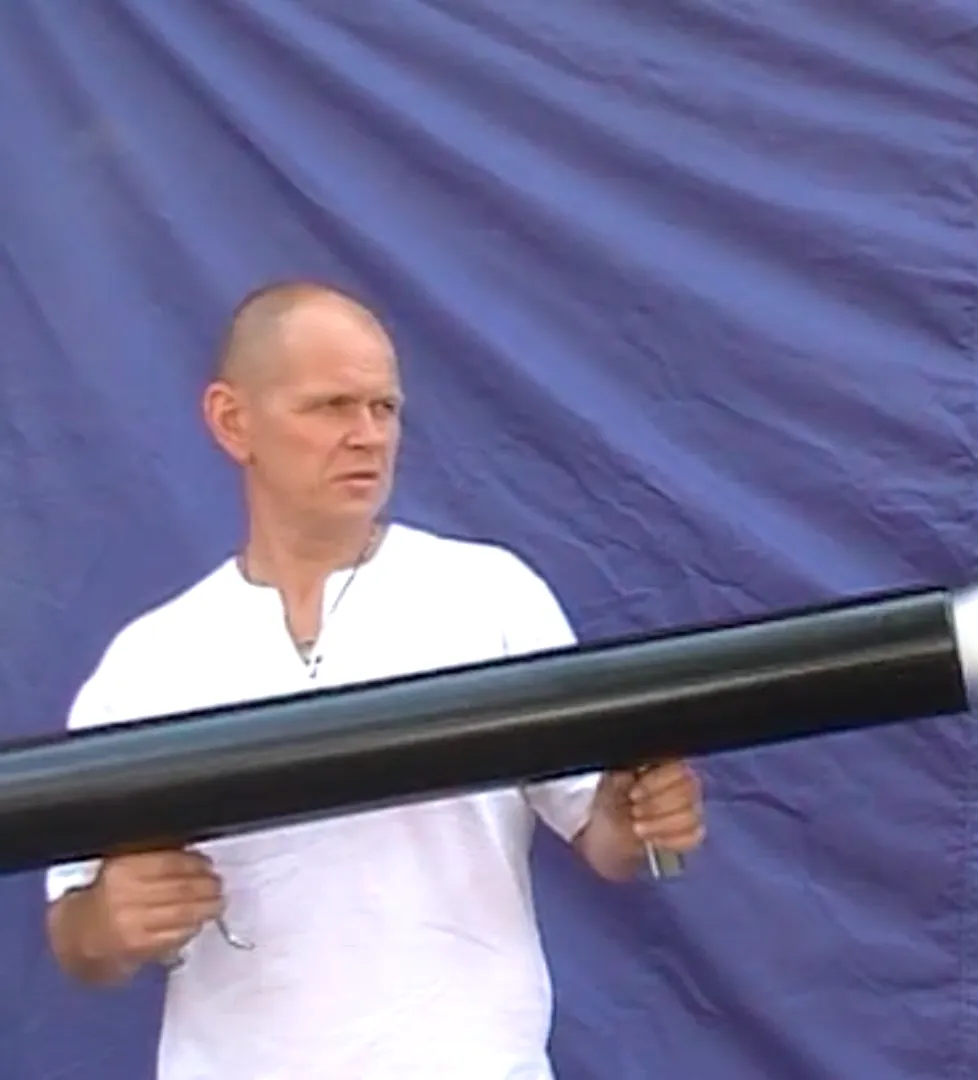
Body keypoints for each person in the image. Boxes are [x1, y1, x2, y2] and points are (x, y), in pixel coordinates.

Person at [42, 280, 707, 1079]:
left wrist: (638, 819)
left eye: (383, 408)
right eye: (330, 407)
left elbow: (600, 832)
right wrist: (112, 919)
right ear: (231, 420)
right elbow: (76, 931)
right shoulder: (149, 662)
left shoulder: (490, 596)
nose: (367, 436)